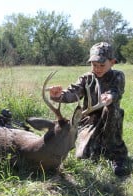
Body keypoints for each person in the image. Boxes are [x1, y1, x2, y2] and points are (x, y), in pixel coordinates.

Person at [49, 42, 128, 176]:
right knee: (81, 155)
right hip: (89, 121)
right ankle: (98, 146)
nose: (97, 68)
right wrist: (58, 96)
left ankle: (117, 156)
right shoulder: (86, 78)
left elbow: (116, 91)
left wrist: (110, 97)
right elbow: (72, 93)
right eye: (94, 65)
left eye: (102, 65)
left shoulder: (118, 76)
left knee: (111, 108)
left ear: (112, 62)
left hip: (110, 120)